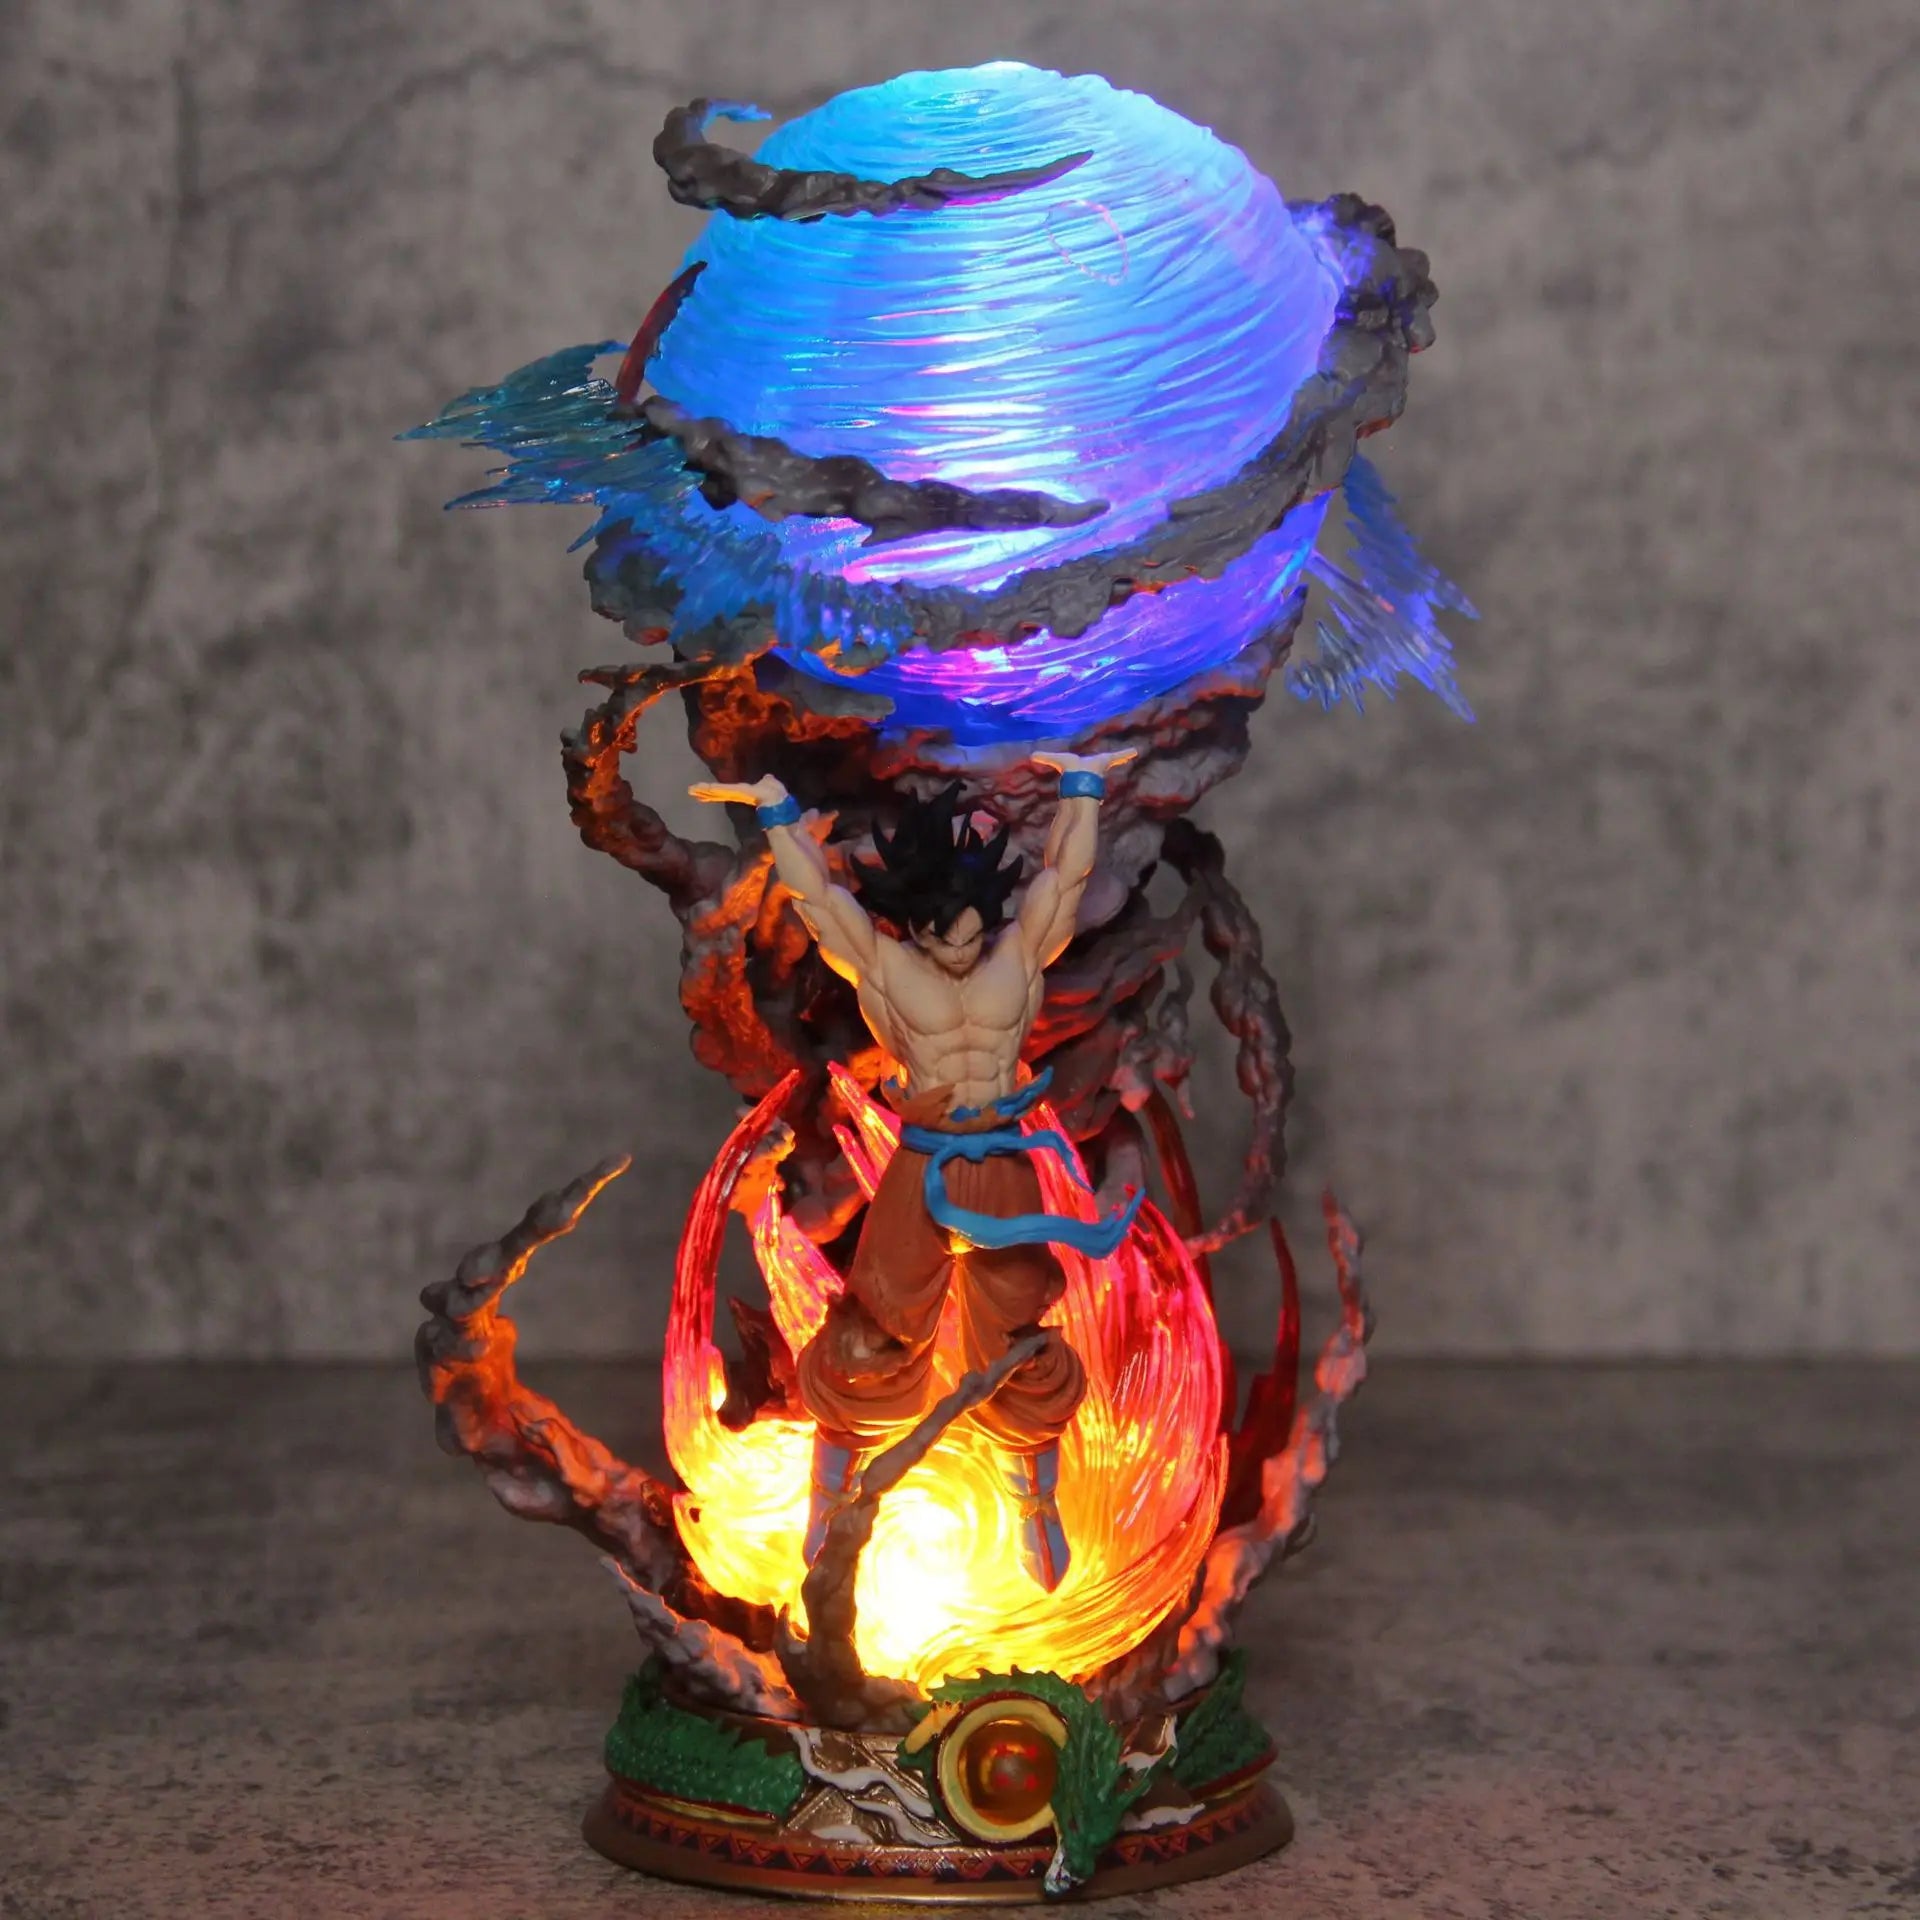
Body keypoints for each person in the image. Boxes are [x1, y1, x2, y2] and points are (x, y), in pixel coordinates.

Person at [689, 752, 1138, 1591]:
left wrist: (1082, 787)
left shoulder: (1017, 958)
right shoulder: (889, 971)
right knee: (875, 1331)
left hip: (1001, 1160)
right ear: (915, 927)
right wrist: (778, 812)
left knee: (1020, 1334)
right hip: (924, 1165)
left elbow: (1065, 881)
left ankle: (1034, 1502)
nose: (960, 946)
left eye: (970, 929)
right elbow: (822, 905)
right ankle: (830, 1506)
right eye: (942, 932)